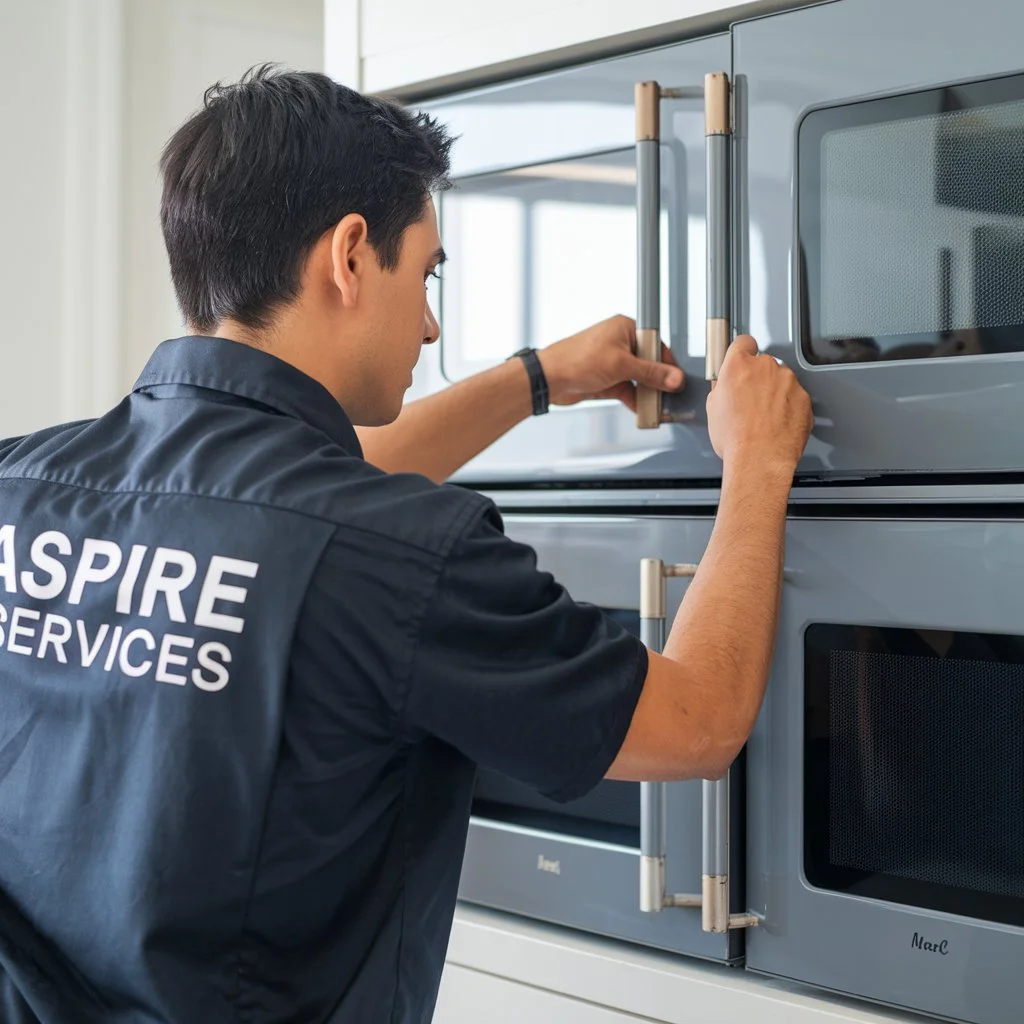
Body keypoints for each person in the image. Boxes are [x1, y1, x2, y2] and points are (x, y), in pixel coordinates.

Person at [0, 67, 812, 1024]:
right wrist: (757, 467)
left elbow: (301, 499)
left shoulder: (20, 486)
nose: (431, 323)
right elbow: (700, 724)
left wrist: (540, 378)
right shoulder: (407, 556)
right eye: (426, 274)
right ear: (350, 256)